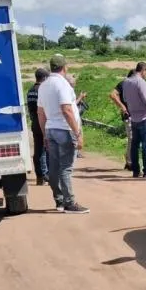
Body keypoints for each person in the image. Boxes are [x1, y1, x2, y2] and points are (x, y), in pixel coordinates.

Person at [37, 54, 89, 214]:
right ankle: (70, 203)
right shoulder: (63, 85)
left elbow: (41, 113)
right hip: (65, 130)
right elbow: (66, 109)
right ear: (65, 67)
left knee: (54, 167)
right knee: (66, 168)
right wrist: (78, 132)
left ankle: (59, 200)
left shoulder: (44, 86)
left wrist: (44, 133)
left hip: (51, 129)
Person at [120, 62, 146, 178]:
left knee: (134, 144)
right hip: (145, 117)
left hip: (134, 117)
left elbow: (125, 99)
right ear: (143, 70)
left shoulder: (126, 82)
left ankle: (136, 170)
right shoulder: (140, 82)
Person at [25, 67, 49, 185]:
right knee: (48, 149)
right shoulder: (43, 90)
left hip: (35, 123)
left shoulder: (30, 91)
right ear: (44, 78)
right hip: (44, 123)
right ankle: (47, 175)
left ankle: (39, 176)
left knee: (38, 150)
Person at [110, 69, 135, 171]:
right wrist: (122, 106)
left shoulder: (136, 84)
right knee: (132, 138)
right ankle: (129, 161)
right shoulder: (124, 83)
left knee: (134, 138)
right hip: (128, 114)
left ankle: (129, 158)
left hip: (136, 115)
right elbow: (112, 94)